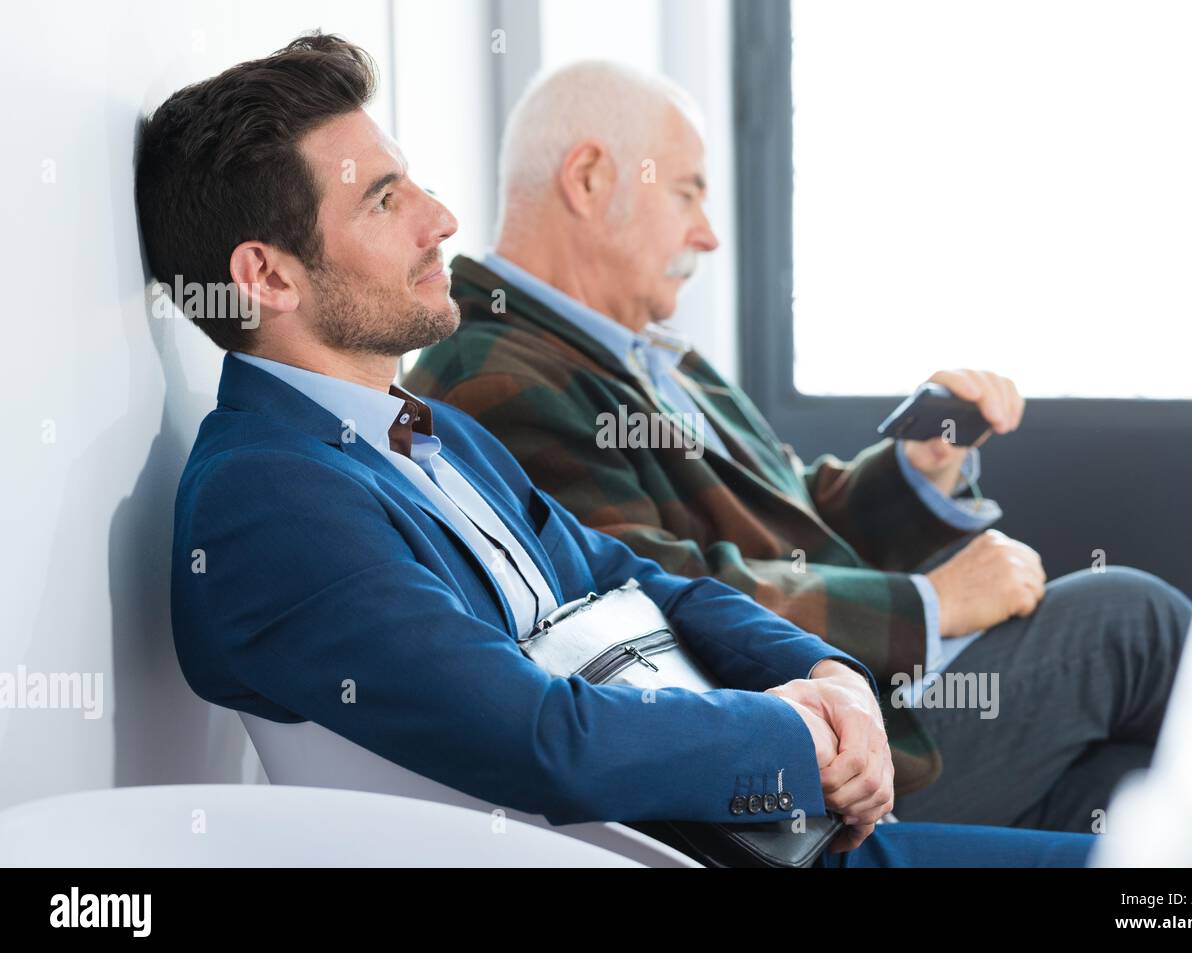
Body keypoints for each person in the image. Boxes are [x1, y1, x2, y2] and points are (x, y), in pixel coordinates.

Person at [140, 34, 1093, 866]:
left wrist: (830, 674)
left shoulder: (423, 432)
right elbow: (538, 735)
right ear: (265, 276)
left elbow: (644, 580)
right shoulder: (265, 495)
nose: (442, 218)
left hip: (757, 830)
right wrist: (803, 736)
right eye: (387, 200)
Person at [404, 59, 1192, 832]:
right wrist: (926, 607)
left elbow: (793, 512)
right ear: (588, 179)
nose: (708, 236)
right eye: (687, 192)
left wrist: (919, 469)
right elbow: (653, 596)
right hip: (826, 754)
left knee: (1120, 792)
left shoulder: (651, 351)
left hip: (866, 702)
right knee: (1131, 619)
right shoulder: (491, 374)